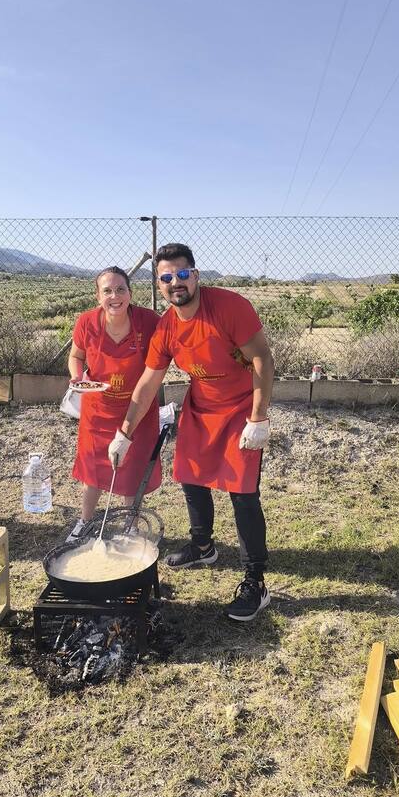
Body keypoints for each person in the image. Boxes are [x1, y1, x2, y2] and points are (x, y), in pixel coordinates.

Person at [108, 244, 274, 621]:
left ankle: (255, 580)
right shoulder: (167, 327)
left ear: (196, 275)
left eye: (182, 274)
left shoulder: (231, 307)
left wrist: (258, 417)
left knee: (242, 491)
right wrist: (125, 433)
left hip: (240, 408)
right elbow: (148, 382)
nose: (175, 283)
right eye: (166, 277)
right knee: (189, 475)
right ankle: (202, 545)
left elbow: (263, 357)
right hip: (201, 406)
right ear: (159, 283)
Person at [67, 266, 162, 541]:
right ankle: (84, 522)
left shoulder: (148, 321)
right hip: (98, 409)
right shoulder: (86, 322)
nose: (114, 295)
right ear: (98, 296)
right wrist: (77, 378)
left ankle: (129, 526)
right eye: (107, 290)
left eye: (121, 289)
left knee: (132, 469)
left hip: (138, 409)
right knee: (94, 469)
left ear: (130, 293)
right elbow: (76, 356)